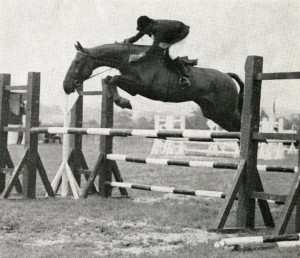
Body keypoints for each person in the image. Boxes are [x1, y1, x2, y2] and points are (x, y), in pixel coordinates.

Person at [124, 16, 191, 89]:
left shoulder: (159, 29)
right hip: (170, 33)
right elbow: (136, 37)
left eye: (143, 29)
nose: (143, 32)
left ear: (149, 25)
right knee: (161, 48)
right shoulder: (148, 26)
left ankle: (184, 76)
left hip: (181, 34)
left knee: (171, 53)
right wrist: (125, 42)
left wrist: (139, 56)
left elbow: (154, 47)